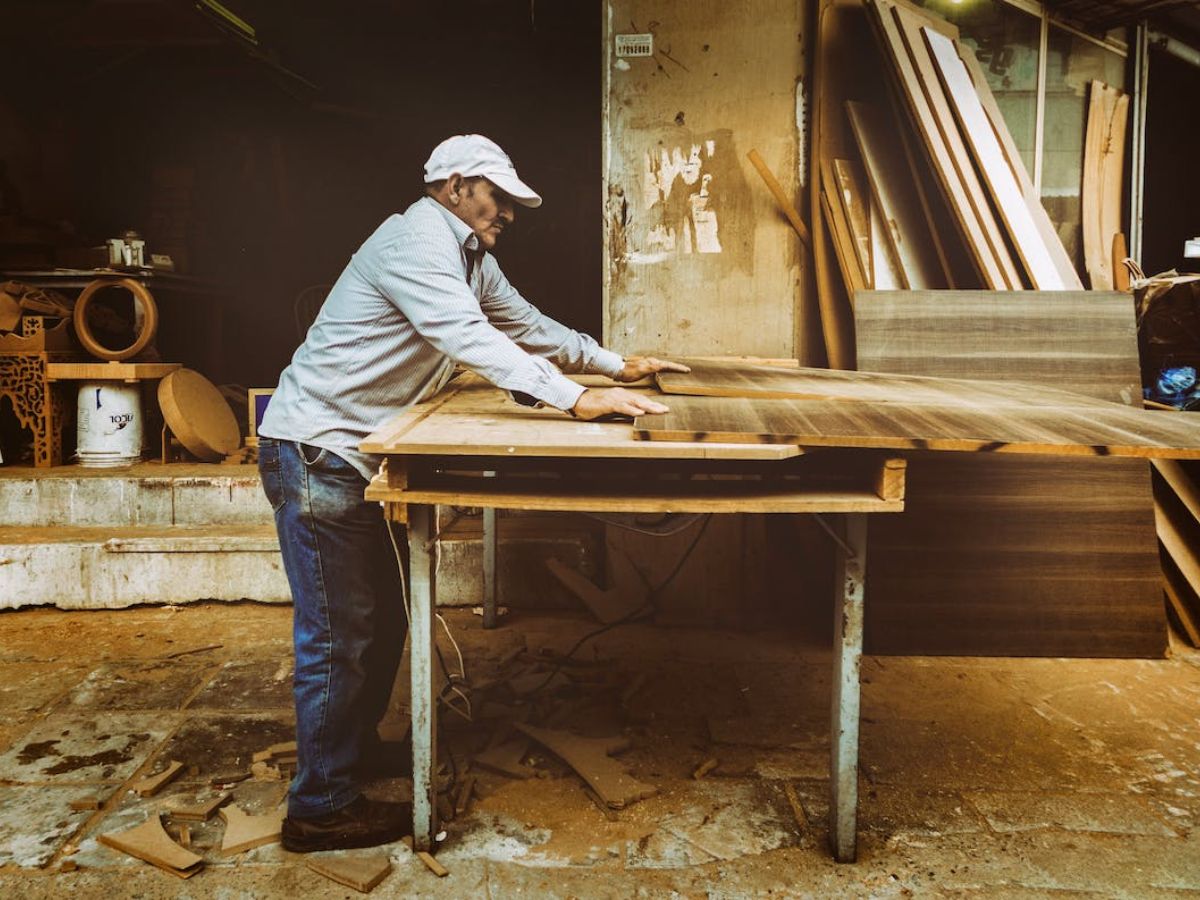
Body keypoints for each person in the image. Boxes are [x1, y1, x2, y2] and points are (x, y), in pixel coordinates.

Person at [256, 133, 687, 852]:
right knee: (339, 637)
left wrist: (616, 364)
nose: (509, 214)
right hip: (315, 453)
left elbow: (523, 323)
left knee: (384, 621)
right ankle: (318, 808)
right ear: (456, 186)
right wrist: (575, 401)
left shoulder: (466, 255)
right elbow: (467, 337)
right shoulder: (415, 246)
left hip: (349, 455)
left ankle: (349, 756)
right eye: (498, 198)